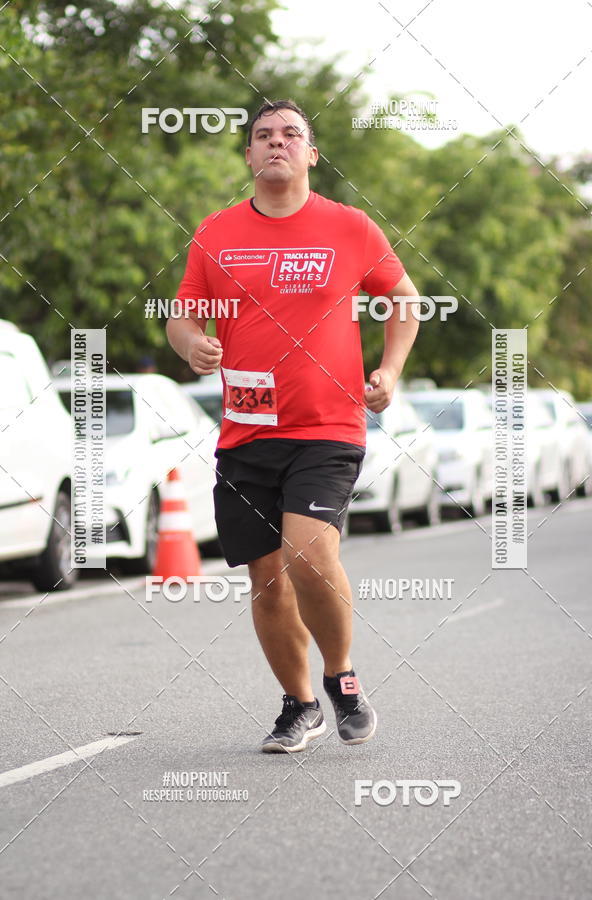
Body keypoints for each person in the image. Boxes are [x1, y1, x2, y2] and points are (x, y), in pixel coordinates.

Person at [166, 99, 420, 753]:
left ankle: (342, 677)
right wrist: (191, 343)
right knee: (268, 577)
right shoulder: (215, 233)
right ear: (248, 156)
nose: (276, 143)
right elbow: (182, 315)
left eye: (291, 135)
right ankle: (298, 703)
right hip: (247, 433)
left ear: (311, 154)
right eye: (262, 136)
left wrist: (389, 372)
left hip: (328, 426)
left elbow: (405, 301)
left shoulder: (350, 228)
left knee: (310, 550)